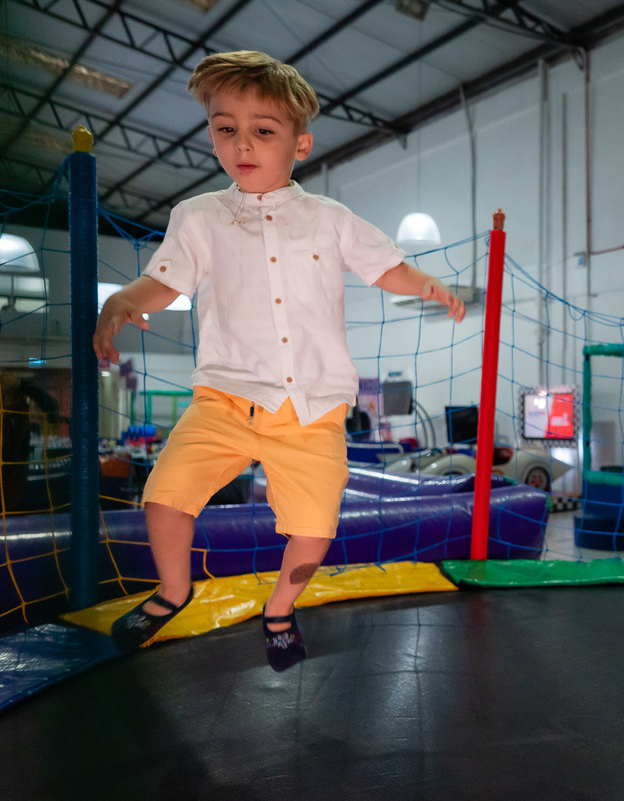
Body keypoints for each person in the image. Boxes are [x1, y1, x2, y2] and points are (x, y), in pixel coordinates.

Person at [93, 51, 466, 670]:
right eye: (224, 128)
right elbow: (165, 280)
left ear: (300, 144)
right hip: (226, 398)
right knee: (163, 498)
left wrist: (428, 284)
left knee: (314, 534)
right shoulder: (199, 217)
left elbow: (387, 267)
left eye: (263, 131)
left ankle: (279, 606)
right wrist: (124, 301)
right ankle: (173, 592)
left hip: (313, 409)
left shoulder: (330, 220)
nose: (243, 143)